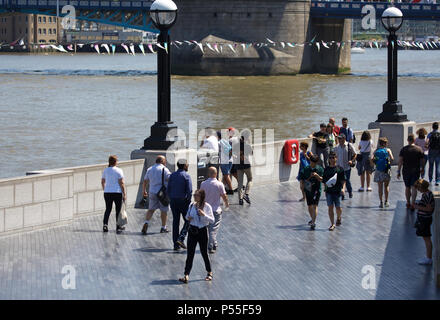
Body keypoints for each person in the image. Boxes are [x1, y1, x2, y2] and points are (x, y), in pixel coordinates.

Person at [178, 189, 215, 283]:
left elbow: (212, 220)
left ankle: (209, 272)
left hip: (202, 231)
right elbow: (187, 216)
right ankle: (186, 275)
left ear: (201, 196)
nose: (194, 196)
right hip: (192, 231)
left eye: (196, 195)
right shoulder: (192, 205)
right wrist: (188, 218)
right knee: (190, 254)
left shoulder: (207, 206)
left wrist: (204, 215)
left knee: (204, 253)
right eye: (194, 195)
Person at [200, 167, 230, 254]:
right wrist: (227, 204)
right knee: (213, 229)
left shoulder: (203, 184)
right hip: (216, 210)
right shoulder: (219, 184)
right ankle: (210, 246)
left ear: (208, 174)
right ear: (216, 174)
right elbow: (224, 196)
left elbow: (201, 196)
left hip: (205, 210)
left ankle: (214, 243)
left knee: (208, 229)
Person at [141, 155, 171, 235]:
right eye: (165, 161)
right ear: (163, 161)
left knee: (151, 209)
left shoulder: (150, 169)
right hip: (162, 193)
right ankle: (163, 227)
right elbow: (170, 179)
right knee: (164, 210)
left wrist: (144, 191)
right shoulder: (164, 169)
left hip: (152, 192)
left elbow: (145, 181)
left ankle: (146, 223)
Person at [167, 159, 192, 251]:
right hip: (183, 201)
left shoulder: (172, 175)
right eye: (187, 164)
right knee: (188, 220)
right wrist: (189, 201)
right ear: (185, 165)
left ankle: (175, 244)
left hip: (173, 200)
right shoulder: (186, 176)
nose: (188, 165)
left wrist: (170, 198)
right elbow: (189, 190)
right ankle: (181, 237)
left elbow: (168, 188)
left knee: (175, 221)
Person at [397, 134, 425, 211]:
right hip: (415, 171)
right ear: (414, 140)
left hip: (406, 171)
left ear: (407, 140)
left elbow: (400, 161)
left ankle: (408, 202)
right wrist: (422, 168)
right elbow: (422, 160)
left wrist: (398, 171)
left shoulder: (404, 149)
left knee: (407, 187)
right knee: (414, 187)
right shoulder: (419, 149)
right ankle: (413, 203)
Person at [101, 155, 126, 233]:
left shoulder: (105, 170)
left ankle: (105, 224)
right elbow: (121, 183)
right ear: (116, 162)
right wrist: (124, 193)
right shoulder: (119, 170)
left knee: (108, 209)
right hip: (117, 192)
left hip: (107, 192)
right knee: (118, 210)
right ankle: (118, 226)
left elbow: (102, 181)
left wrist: (105, 189)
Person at [413, 179, 435, 265]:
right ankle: (428, 256)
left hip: (425, 219)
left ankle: (428, 258)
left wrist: (418, 207)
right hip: (425, 218)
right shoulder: (428, 194)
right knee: (426, 238)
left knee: (427, 238)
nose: (418, 190)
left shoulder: (426, 196)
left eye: (419, 188)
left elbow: (429, 209)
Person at [323, 151, 345, 231]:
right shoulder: (326, 169)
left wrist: (343, 189)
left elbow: (343, 180)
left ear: (336, 158)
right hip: (329, 192)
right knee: (330, 207)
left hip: (337, 191)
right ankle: (332, 224)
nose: (332, 159)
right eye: (330, 158)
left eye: (333, 157)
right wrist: (325, 190)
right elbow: (325, 181)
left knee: (338, 207)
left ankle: (339, 217)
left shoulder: (340, 169)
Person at [301, 155, 324, 230]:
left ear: (316, 162)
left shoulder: (320, 169)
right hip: (308, 189)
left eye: (314, 162)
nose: (312, 163)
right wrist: (302, 186)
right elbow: (302, 178)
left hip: (316, 189)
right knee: (309, 205)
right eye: (311, 161)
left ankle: (313, 222)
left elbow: (322, 179)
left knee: (315, 205)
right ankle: (312, 218)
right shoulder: (306, 169)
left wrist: (317, 176)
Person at [372, 137, 394, 208]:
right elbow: (392, 158)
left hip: (378, 170)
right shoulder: (388, 150)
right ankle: (386, 201)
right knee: (386, 186)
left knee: (380, 187)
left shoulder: (376, 151)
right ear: (385, 143)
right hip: (386, 170)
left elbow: (372, 159)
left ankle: (381, 202)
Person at [334, 133, 356, 199]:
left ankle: (350, 192)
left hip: (347, 167)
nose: (339, 140)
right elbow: (334, 156)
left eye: (340, 138)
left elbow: (355, 154)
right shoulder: (336, 147)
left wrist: (351, 161)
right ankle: (342, 193)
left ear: (344, 139)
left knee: (347, 180)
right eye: (339, 138)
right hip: (339, 167)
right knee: (340, 180)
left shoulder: (349, 145)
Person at [236, 130, 253, 205]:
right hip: (246, 165)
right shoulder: (247, 145)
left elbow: (230, 152)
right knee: (250, 179)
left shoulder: (236, 144)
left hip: (238, 165)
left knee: (240, 182)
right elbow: (251, 153)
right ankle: (246, 194)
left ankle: (240, 200)